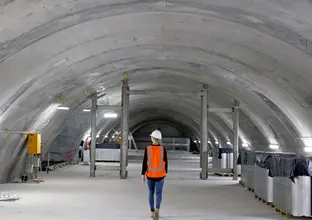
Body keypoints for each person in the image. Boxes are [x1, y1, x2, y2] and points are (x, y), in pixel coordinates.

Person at [141, 130, 168, 219]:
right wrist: (165, 173)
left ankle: (152, 212)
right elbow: (166, 162)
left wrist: (143, 174)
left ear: (152, 138)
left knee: (151, 193)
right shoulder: (163, 149)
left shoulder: (147, 148)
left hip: (150, 175)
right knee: (159, 193)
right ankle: (157, 209)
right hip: (160, 175)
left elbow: (145, 162)